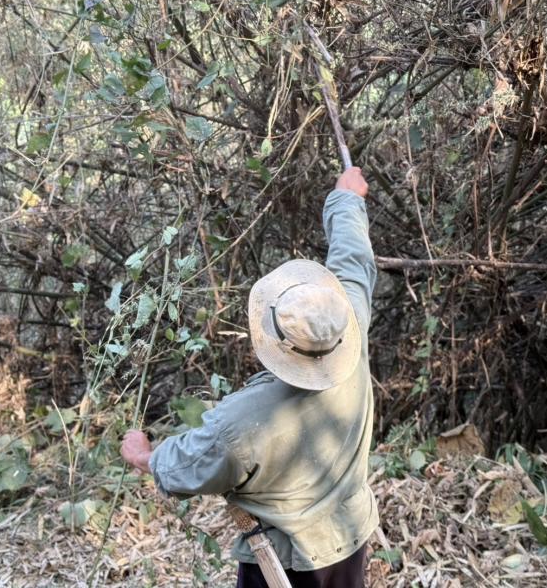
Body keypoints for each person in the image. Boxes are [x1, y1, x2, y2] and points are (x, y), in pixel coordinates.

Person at [121, 167, 378, 588]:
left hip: (286, 563)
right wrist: (346, 199)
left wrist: (144, 456)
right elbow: (353, 260)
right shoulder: (348, 331)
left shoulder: (241, 423)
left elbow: (189, 465)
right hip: (350, 539)